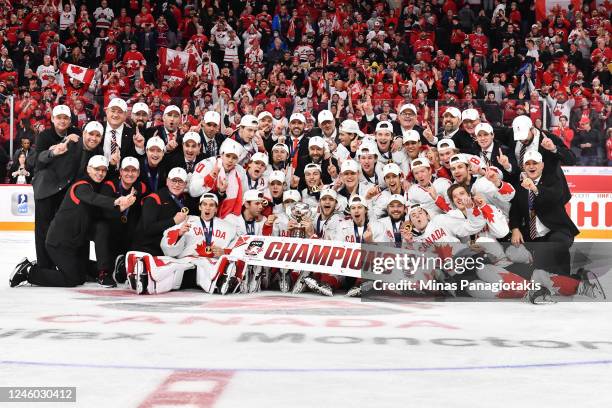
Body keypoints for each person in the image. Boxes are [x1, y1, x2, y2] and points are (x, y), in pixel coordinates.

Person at [10, 155, 136, 287]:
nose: (100, 173)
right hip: (58, 244)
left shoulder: (93, 186)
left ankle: (107, 269)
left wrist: (119, 207)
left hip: (74, 243)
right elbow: (93, 198)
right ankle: (29, 271)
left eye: (104, 170)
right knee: (72, 279)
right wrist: (116, 202)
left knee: (82, 273)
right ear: (88, 169)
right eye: (97, 169)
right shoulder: (81, 186)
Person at [128, 193, 238, 295]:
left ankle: (223, 282)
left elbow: (238, 247)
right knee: (170, 267)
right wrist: (179, 234)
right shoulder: (187, 221)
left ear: (216, 208)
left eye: (211, 205)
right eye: (204, 204)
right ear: (200, 207)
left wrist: (224, 252)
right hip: (185, 262)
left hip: (211, 262)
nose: (208, 208)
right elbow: (167, 244)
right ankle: (144, 279)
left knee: (209, 269)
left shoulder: (229, 228)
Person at [98, 156, 148, 286]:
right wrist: (122, 207)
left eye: (133, 171)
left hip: (128, 230)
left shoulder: (141, 187)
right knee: (103, 228)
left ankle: (125, 266)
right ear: (120, 171)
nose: (130, 174)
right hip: (110, 227)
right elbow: (104, 212)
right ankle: (104, 272)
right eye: (126, 170)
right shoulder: (109, 186)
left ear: (138, 173)